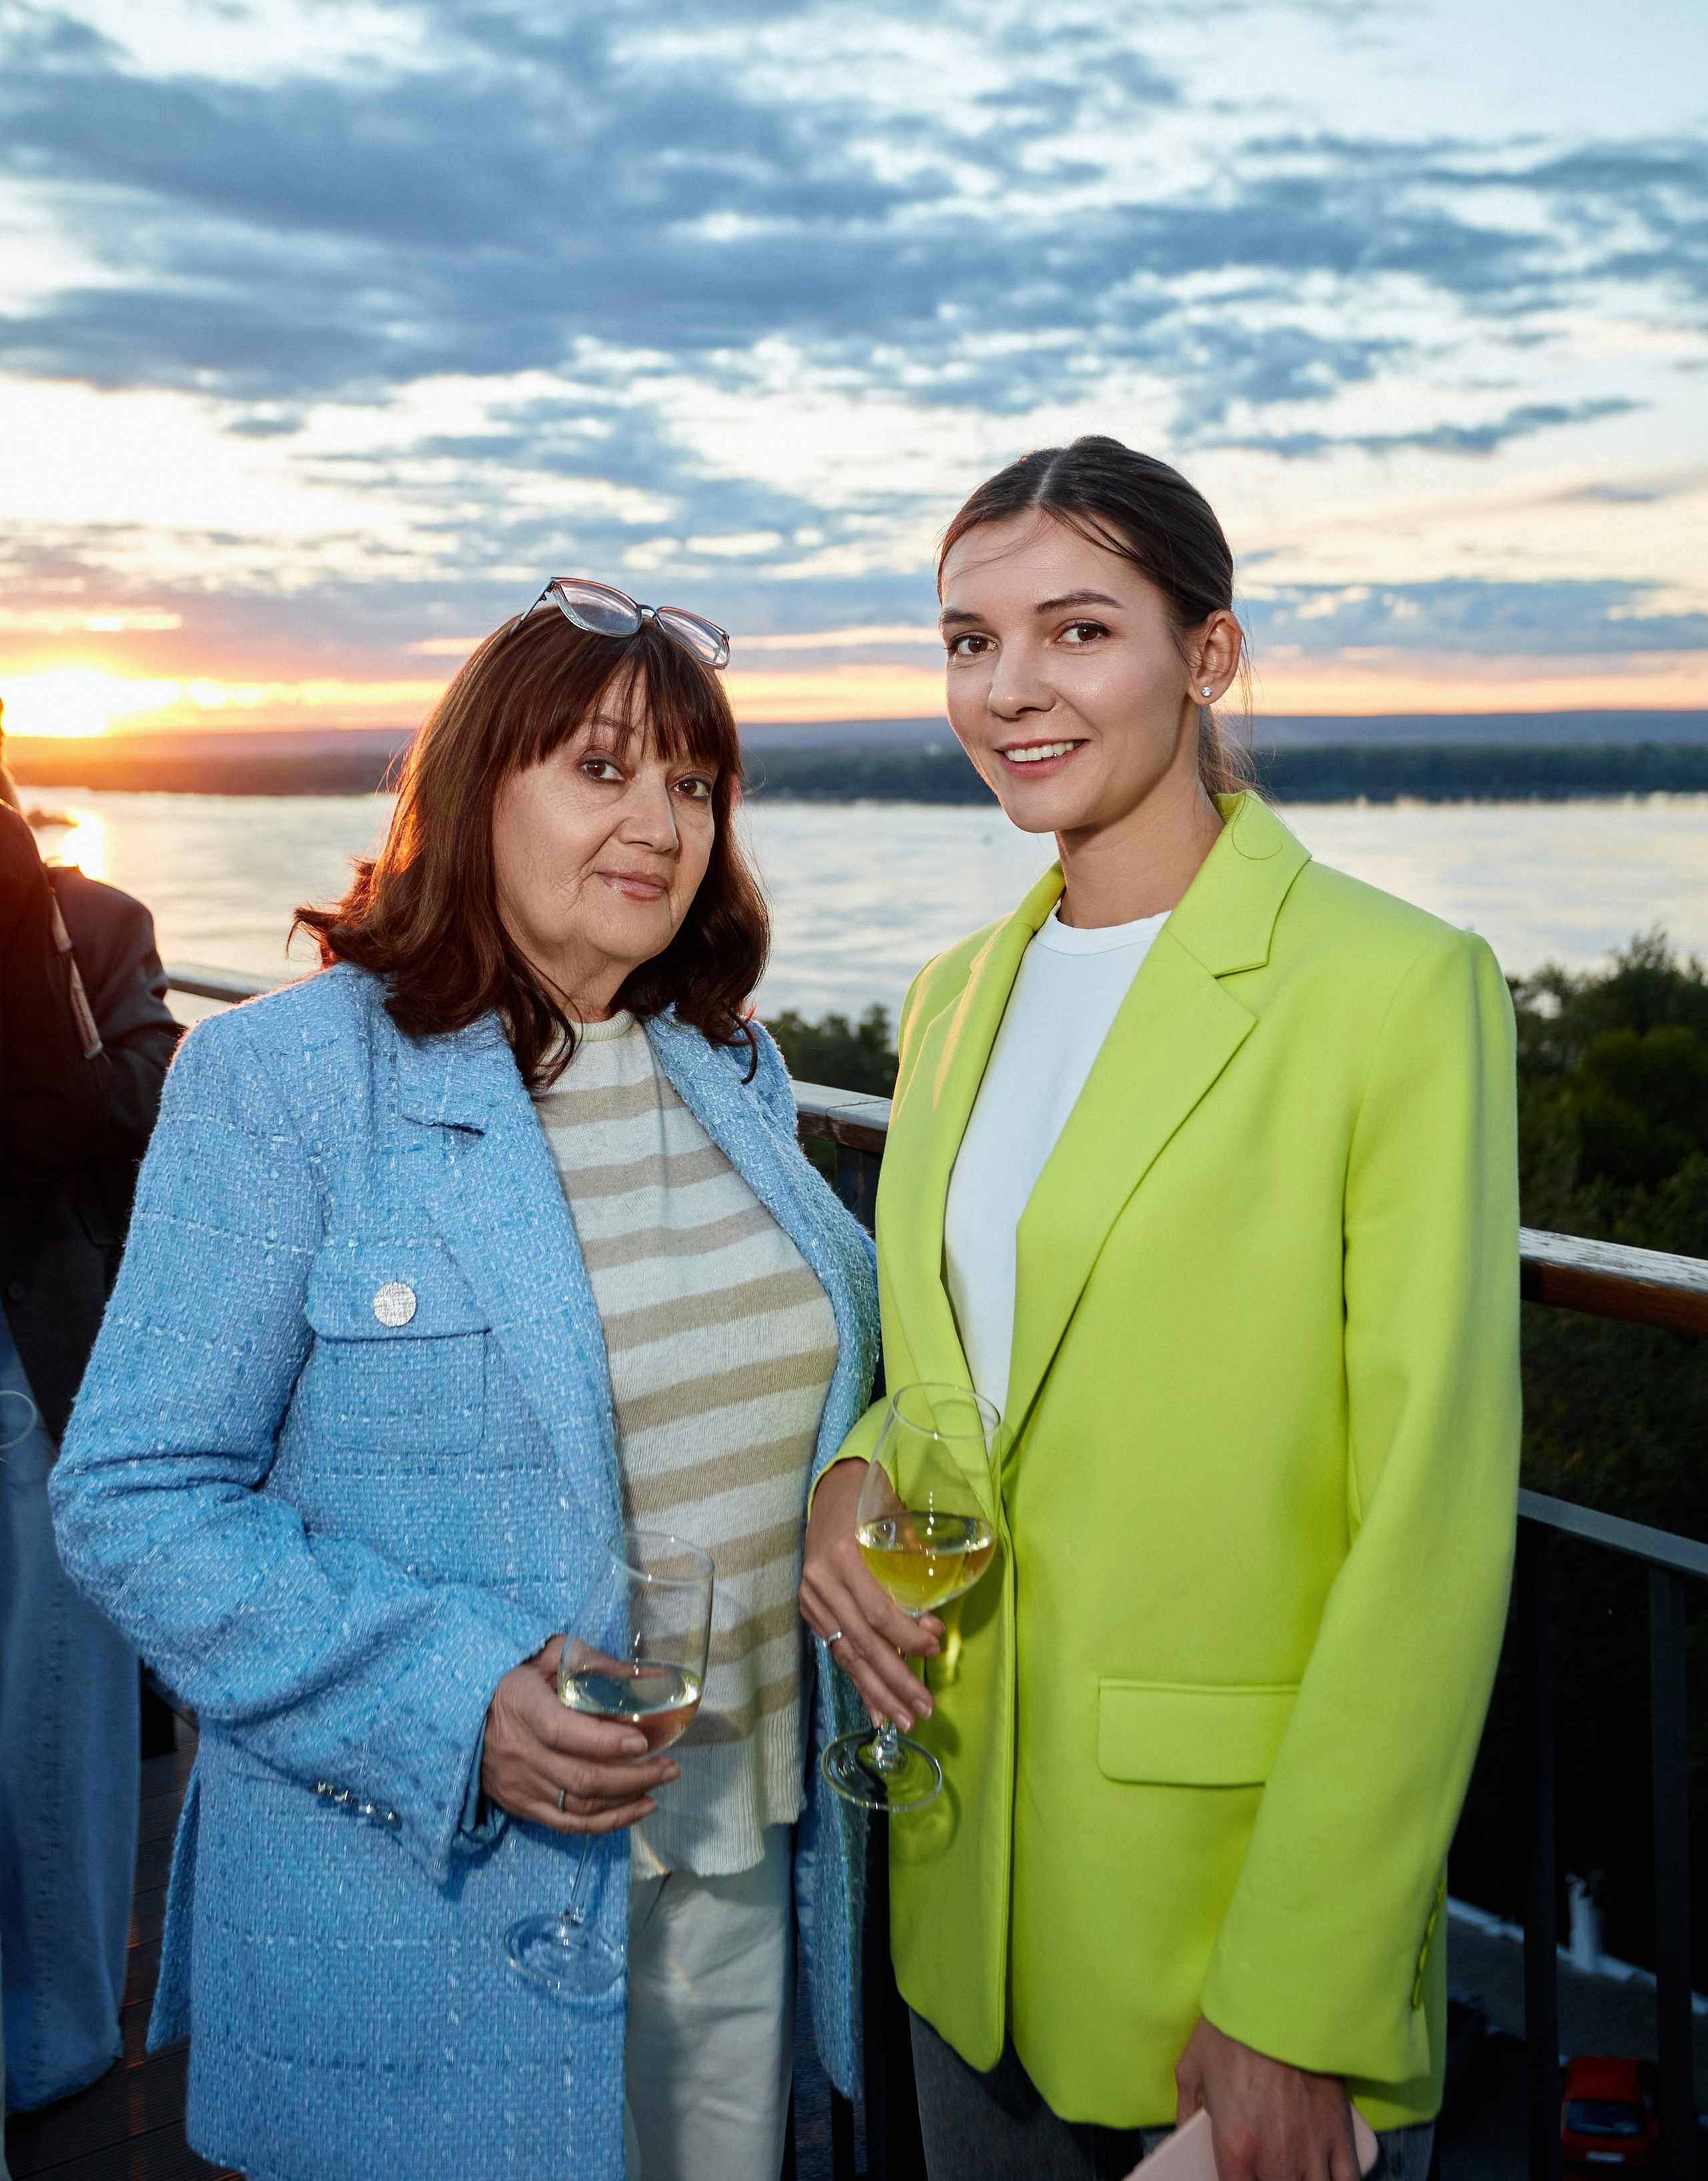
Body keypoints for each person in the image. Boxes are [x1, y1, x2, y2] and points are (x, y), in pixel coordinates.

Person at [50, 581, 879, 2181]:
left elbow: (831, 1386)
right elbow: (135, 1501)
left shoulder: (735, 1069)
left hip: (732, 1873)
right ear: (473, 789)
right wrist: (459, 1704)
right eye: (599, 767)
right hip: (425, 1904)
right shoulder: (284, 1082)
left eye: (693, 787)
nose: (659, 822)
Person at [802, 436, 1521, 2181]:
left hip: (1233, 1946)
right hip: (963, 1914)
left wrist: (1305, 1986)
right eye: (969, 641)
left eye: (1077, 631)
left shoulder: (1397, 992)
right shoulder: (952, 997)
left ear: (1207, 656)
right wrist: (856, 1472)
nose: (1012, 690)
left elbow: (1427, 1523)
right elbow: (970, 1360)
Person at [1, 729, 179, 2117]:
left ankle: (57, 2030)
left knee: (56, 1684)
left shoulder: (104, 920)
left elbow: (126, 1093)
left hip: (50, 1302)